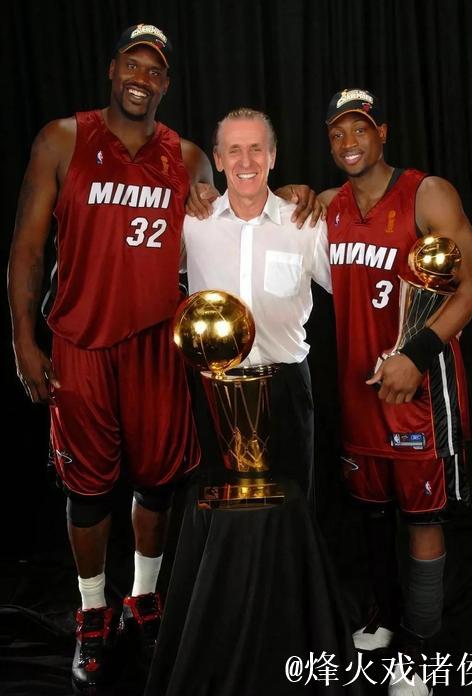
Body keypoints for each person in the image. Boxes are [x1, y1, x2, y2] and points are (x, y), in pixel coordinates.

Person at [7, 24, 321, 693]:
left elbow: (235, 207)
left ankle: (143, 599)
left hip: (157, 343)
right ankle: (93, 612)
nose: (141, 77)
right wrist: (23, 341)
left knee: (157, 481)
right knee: (88, 488)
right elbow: (27, 248)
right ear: (113, 68)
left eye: (154, 70)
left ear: (166, 83)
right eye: (133, 63)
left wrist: (300, 193)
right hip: (81, 340)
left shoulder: (187, 157)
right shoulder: (62, 138)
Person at [320, 88, 472, 695]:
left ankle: (420, 650)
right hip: (359, 392)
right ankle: (386, 615)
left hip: (418, 392)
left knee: (421, 518)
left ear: (382, 132)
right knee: (370, 512)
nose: (349, 142)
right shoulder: (330, 206)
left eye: (360, 129)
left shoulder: (425, 193)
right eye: (338, 133)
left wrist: (416, 356)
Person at [182, 108, 332, 499]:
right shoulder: (193, 224)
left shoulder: (305, 224)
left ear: (273, 156)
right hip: (214, 390)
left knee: (291, 506)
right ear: (218, 160)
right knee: (218, 505)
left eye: (256, 149)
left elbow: (352, 292)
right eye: (234, 150)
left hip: (286, 388)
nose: (245, 162)